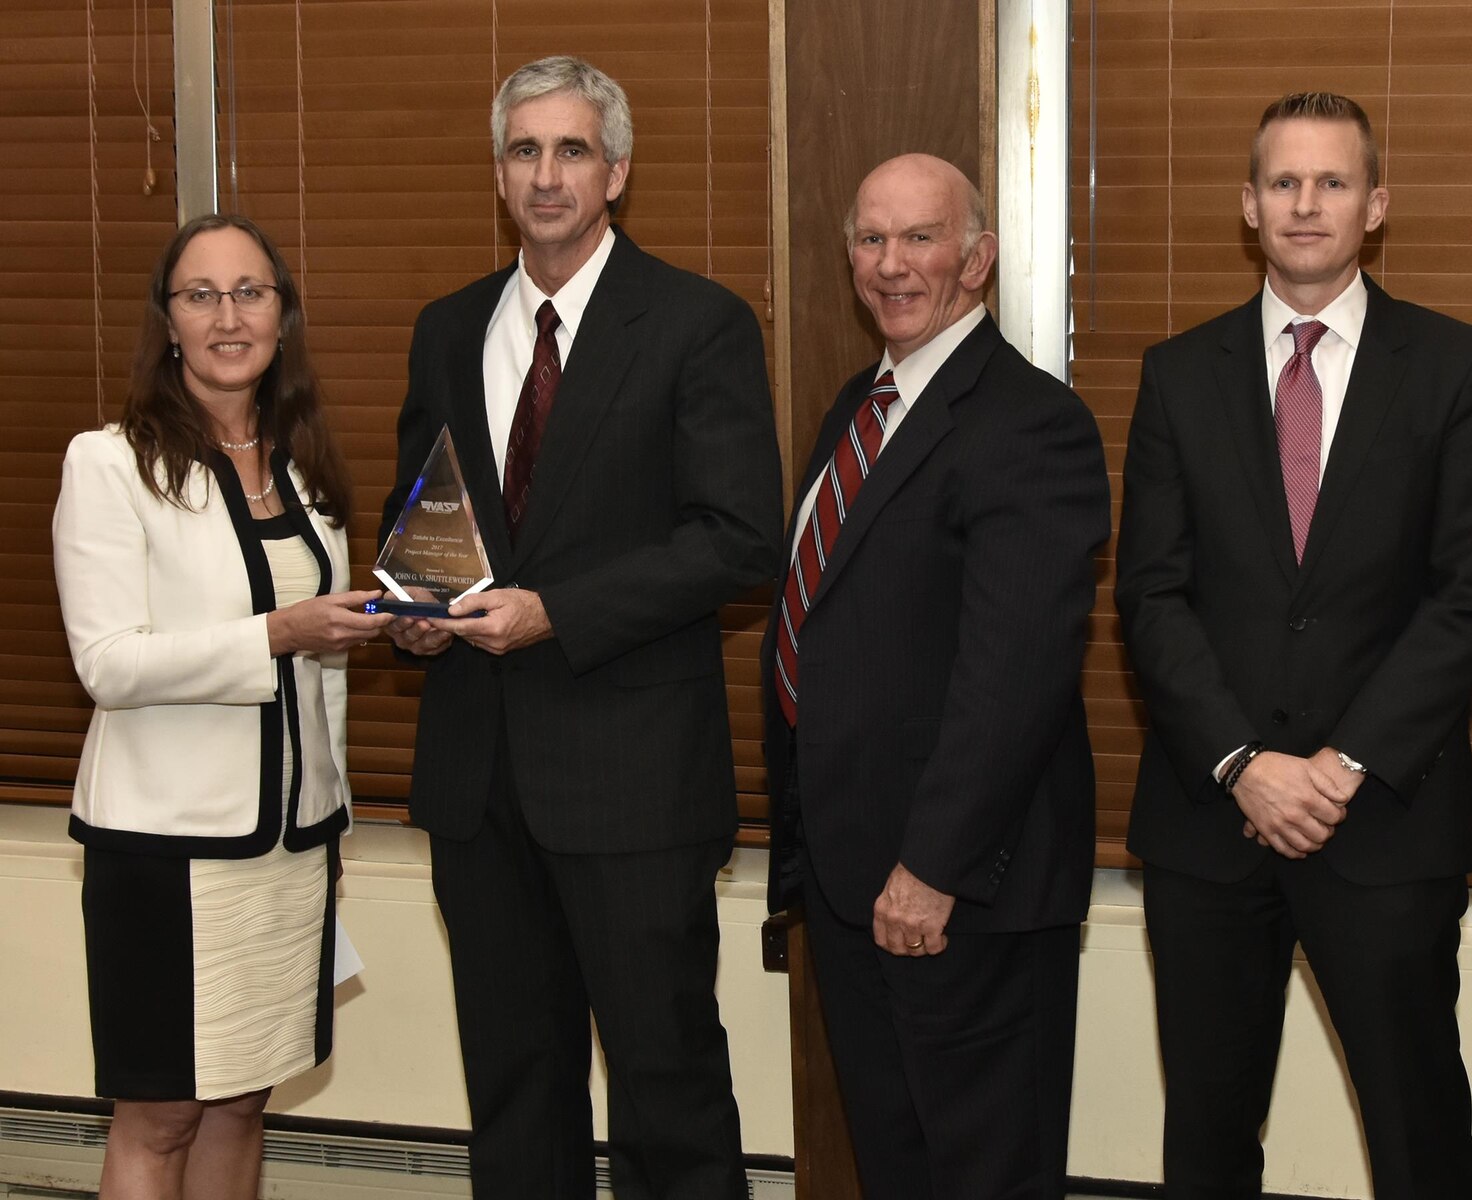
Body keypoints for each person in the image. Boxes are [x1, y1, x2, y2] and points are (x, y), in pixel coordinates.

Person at [381, 56, 783, 1199]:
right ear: (499, 173)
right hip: (475, 774)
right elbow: (429, 517)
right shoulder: (447, 328)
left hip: (633, 779)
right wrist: (413, 612)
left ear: (616, 171)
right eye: (523, 151)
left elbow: (737, 538)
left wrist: (559, 612)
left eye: (570, 151)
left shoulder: (697, 323)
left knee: (666, 1091)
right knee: (514, 1087)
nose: (546, 175)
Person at [1115, 93, 1472, 1198]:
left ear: (1374, 205)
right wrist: (1244, 764)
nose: (1305, 203)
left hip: (1382, 817)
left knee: (1417, 1129)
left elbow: (1469, 596)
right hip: (1210, 821)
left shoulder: (1453, 366)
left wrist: (1338, 766)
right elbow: (1148, 597)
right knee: (1204, 1133)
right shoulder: (1176, 373)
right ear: (1246, 207)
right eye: (1282, 182)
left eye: (1331, 182)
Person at [760, 153, 1110, 1200]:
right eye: (870, 239)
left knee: (983, 1176)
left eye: (919, 238)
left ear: (977, 258)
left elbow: (1013, 674)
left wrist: (933, 868)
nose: (890, 264)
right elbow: (824, 634)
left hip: (960, 894)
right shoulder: (854, 411)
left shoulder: (1029, 423)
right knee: (896, 1168)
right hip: (853, 882)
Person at [51, 213, 387, 1200]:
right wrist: (276, 635)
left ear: (283, 317)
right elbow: (108, 664)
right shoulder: (108, 463)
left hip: (289, 848)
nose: (227, 316)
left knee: (243, 1100)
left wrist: (378, 625)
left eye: (251, 292)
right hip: (164, 852)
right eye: (201, 296)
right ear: (168, 323)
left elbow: (316, 666)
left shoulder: (303, 470)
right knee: (161, 1117)